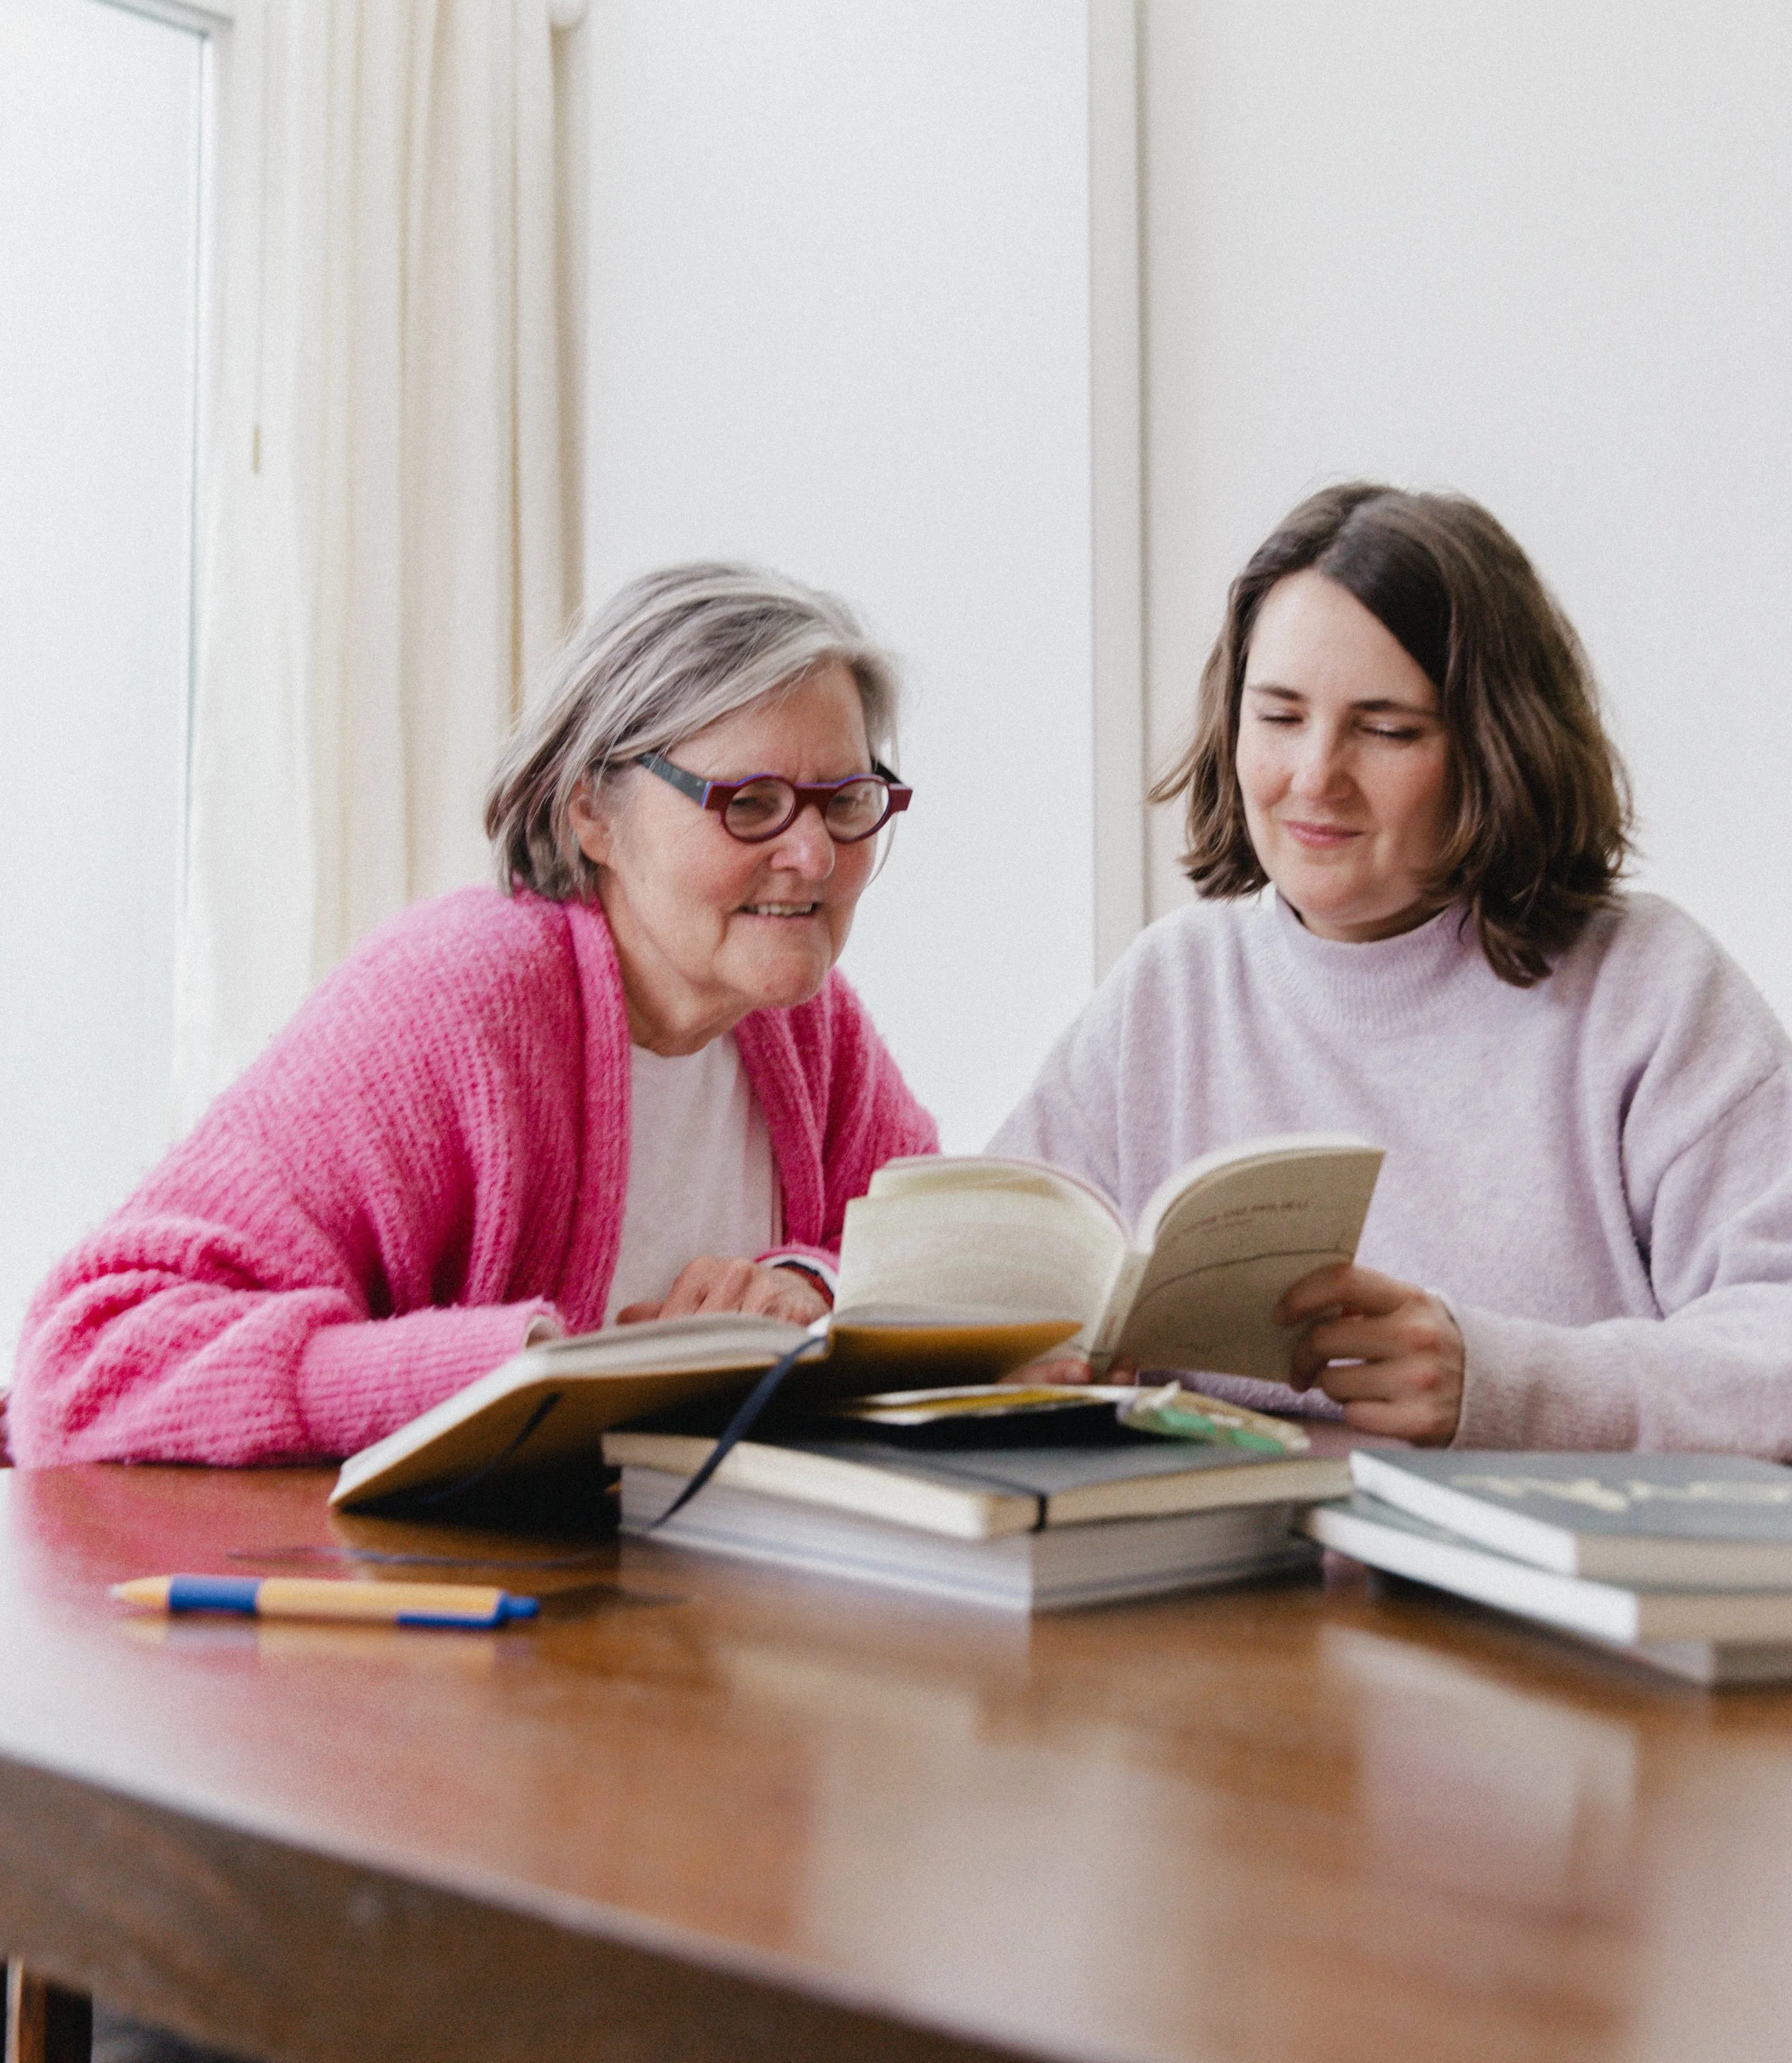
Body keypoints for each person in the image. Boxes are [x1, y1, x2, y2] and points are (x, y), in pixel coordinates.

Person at [11, 563, 936, 1466]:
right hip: (352, 1602)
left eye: (847, 801)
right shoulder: (454, 1004)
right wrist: (528, 1375)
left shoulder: (803, 1025)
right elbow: (82, 1361)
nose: (814, 855)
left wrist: (805, 1288)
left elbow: (940, 1255)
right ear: (591, 813)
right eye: (752, 804)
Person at [995, 482, 1792, 1454]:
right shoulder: (1173, 985)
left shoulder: (1650, 991)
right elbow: (994, 1269)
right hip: (1222, 1573)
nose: (1314, 777)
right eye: (1279, 715)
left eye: (1386, 729)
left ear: (1496, 748)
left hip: (1562, 1582)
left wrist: (1502, 1383)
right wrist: (1030, 1356)